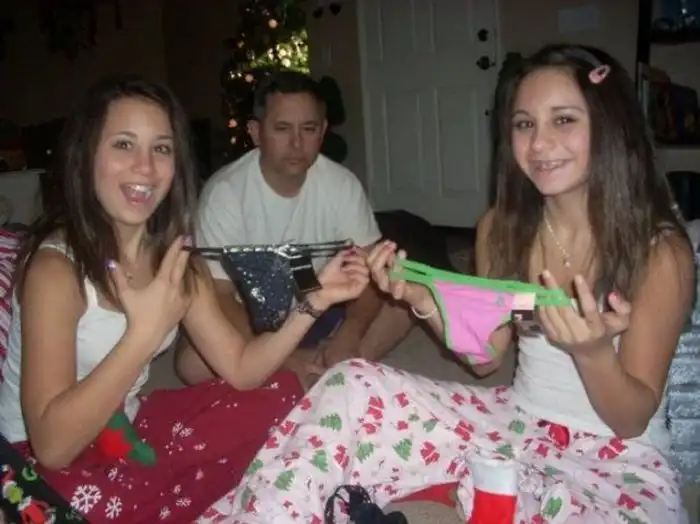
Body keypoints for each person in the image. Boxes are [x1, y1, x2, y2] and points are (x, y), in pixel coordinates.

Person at [198, 44, 694, 523]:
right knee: (352, 384)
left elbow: (630, 419)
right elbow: (486, 359)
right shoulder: (500, 228)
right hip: (512, 425)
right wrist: (422, 298)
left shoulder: (660, 252)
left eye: (564, 120)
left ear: (609, 125)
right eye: (524, 124)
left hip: (615, 460)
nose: (540, 144)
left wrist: (593, 354)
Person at [0, 75, 369, 523]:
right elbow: (52, 446)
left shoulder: (175, 259)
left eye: (161, 148)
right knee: (85, 508)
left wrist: (314, 301)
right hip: (37, 462)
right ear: (86, 155)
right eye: (123, 145)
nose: (145, 167)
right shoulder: (56, 270)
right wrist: (144, 334)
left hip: (125, 428)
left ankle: (177, 490)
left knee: (283, 392)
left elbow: (242, 369)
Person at [176, 70, 415, 390]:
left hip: (320, 309)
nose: (296, 143)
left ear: (323, 131)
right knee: (192, 363)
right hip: (249, 322)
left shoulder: (342, 185)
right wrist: (283, 357)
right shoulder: (225, 194)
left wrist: (349, 334)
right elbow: (218, 295)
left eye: (309, 129)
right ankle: (322, 371)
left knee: (406, 302)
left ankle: (332, 363)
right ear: (256, 132)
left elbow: (370, 270)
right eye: (282, 128)